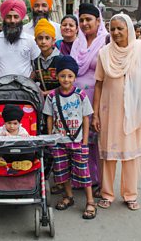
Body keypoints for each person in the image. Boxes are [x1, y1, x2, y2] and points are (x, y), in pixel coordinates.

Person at [93, 13, 141, 211]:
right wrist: (95, 114)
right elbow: (98, 84)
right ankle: (107, 194)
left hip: (136, 113)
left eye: (120, 28)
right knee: (108, 155)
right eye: (112, 29)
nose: (115, 32)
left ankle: (130, 194)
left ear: (129, 29)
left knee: (131, 156)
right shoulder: (104, 53)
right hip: (109, 111)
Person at [43, 55, 96, 220]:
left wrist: (85, 142)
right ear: (57, 76)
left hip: (78, 141)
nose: (66, 79)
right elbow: (49, 117)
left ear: (75, 77)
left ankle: (90, 201)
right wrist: (52, 138)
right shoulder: (52, 96)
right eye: (62, 76)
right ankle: (68, 196)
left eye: (70, 76)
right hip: (59, 143)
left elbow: (86, 118)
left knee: (83, 172)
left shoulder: (80, 95)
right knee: (62, 171)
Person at [70, 3, 109, 192]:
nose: (85, 24)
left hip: (99, 98)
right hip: (76, 100)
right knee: (79, 139)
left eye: (89, 20)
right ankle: (81, 178)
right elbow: (71, 69)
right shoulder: (78, 43)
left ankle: (98, 180)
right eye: (82, 20)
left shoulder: (106, 41)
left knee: (96, 141)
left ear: (98, 21)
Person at [0, 0, 40, 83]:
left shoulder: (31, 41)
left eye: (16, 17)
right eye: (8, 17)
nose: (12, 21)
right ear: (4, 18)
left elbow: (37, 67)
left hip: (25, 91)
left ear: (21, 18)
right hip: (1, 91)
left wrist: (27, 83)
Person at [31, 18, 61, 96]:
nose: (43, 41)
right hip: (44, 103)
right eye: (40, 38)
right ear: (36, 41)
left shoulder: (61, 59)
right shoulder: (36, 62)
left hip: (60, 101)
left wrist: (45, 93)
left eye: (47, 38)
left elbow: (67, 85)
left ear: (53, 40)